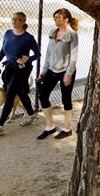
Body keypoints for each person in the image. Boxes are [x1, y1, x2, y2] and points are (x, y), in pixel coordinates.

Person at [0, 12, 41, 136]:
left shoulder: (28, 38)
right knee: (21, 93)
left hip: (22, 69)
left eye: (18, 19)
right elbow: (3, 50)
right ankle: (32, 115)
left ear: (23, 22)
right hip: (10, 68)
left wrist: (27, 59)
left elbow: (37, 54)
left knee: (10, 93)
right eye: (13, 19)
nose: (14, 21)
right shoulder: (7, 33)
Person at [37, 8, 79, 140]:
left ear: (66, 19)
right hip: (51, 70)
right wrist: (43, 71)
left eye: (58, 17)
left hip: (66, 71)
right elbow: (48, 54)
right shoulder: (52, 32)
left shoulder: (72, 34)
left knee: (66, 99)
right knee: (43, 96)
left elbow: (74, 57)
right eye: (55, 17)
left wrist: (69, 74)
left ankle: (67, 129)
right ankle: (50, 126)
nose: (56, 19)